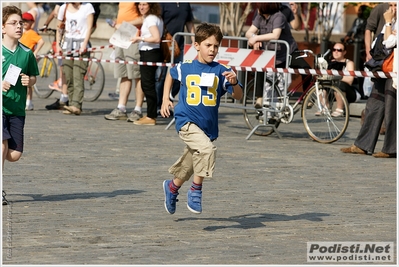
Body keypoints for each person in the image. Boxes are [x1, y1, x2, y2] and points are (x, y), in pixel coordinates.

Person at [160, 22, 243, 214]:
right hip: (186, 121)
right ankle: (195, 191)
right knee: (206, 149)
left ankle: (172, 187)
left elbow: (238, 96)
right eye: (208, 45)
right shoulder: (186, 67)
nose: (212, 50)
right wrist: (166, 99)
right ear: (197, 45)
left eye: (216, 46)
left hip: (207, 126)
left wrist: (235, 82)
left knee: (190, 163)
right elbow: (171, 74)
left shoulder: (222, 71)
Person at [341, 2, 397, 158]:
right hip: (381, 63)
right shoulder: (382, 8)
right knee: (374, 102)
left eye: (396, 4)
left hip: (394, 66)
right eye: (392, 4)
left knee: (392, 106)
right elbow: (371, 31)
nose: (393, 7)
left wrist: (388, 23)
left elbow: (389, 41)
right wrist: (368, 52)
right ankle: (362, 144)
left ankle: (391, 148)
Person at [2, 5, 39, 205]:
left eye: (21, 23)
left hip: (17, 109)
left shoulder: (26, 53)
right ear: (2, 27)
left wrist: (29, 81)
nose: (18, 27)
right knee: (2, 144)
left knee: (14, 155)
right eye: (13, 23)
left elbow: (33, 76)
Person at [245, 3, 310, 111]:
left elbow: (276, 35)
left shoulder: (279, 15)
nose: (258, 8)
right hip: (271, 53)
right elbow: (249, 32)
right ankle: (259, 98)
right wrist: (254, 37)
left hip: (288, 52)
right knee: (260, 69)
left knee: (307, 69)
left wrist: (256, 38)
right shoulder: (260, 16)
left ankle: (308, 96)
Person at [104, 2, 145, 122]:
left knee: (137, 75)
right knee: (123, 74)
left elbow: (144, 17)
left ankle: (138, 109)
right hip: (121, 38)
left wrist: (124, 25)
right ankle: (121, 108)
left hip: (133, 38)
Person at [155, 3, 196, 114]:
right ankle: (159, 105)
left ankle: (168, 101)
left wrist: (194, 40)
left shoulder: (185, 4)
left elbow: (189, 23)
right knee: (161, 77)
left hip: (180, 45)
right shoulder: (164, 4)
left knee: (179, 76)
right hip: (165, 43)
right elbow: (158, 20)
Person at [56, 2, 94, 115]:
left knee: (78, 76)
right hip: (68, 45)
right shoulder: (64, 7)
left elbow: (89, 27)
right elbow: (59, 27)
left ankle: (77, 105)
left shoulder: (87, 7)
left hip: (81, 44)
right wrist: (58, 44)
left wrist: (84, 44)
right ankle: (71, 103)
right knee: (68, 76)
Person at [130, 2, 163, 126]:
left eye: (144, 4)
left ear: (151, 6)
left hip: (150, 53)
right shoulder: (155, 18)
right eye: (139, 4)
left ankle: (151, 116)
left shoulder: (150, 19)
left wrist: (140, 39)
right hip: (150, 52)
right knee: (148, 84)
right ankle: (150, 114)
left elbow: (156, 38)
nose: (141, 7)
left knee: (147, 85)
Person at [319, 42, 361, 117]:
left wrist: (335, 77)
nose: (336, 52)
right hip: (335, 91)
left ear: (344, 52)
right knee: (322, 85)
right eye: (334, 49)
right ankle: (326, 108)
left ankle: (340, 109)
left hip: (351, 92)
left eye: (339, 50)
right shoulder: (331, 63)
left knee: (338, 84)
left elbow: (350, 80)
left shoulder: (349, 63)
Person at [19, 12, 45, 111]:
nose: (25, 23)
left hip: (28, 59)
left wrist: (36, 52)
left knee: (29, 81)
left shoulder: (32, 33)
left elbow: (41, 41)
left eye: (27, 21)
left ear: (32, 22)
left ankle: (29, 101)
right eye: (23, 21)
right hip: (19, 58)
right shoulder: (20, 32)